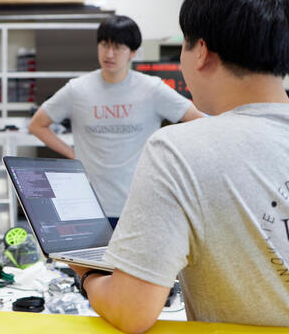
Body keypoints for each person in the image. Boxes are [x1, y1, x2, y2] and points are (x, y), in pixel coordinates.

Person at [74, 0, 289, 334]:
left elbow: (132, 311)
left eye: (184, 48)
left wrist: (86, 272)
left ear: (201, 52)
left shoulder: (179, 150)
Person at [29, 15, 202, 223]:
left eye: (118, 47)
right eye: (104, 45)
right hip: (89, 202)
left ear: (133, 52)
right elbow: (38, 124)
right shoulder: (77, 89)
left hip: (140, 202)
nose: (109, 54)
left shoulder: (151, 89)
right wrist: (73, 155)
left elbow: (198, 120)